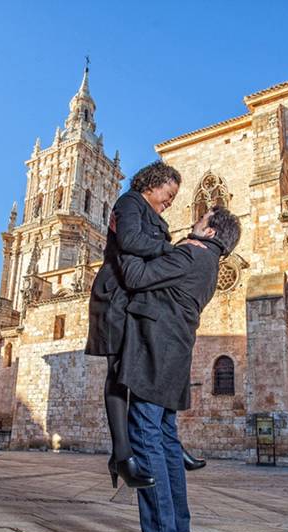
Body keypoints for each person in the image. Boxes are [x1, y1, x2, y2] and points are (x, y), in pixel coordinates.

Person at [109, 207, 241, 532]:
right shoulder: (209, 264)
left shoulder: (190, 255)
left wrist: (124, 239)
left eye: (201, 220)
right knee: (167, 442)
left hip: (157, 353)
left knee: (147, 438)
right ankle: (179, 530)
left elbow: (135, 275)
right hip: (175, 355)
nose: (194, 222)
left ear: (210, 232)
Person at [85, 161, 205, 489]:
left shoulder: (152, 214)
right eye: (170, 194)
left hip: (133, 295)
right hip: (116, 295)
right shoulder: (129, 203)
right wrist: (175, 248)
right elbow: (130, 241)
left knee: (137, 369)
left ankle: (166, 444)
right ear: (153, 184)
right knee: (118, 372)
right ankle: (122, 454)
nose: (172, 201)